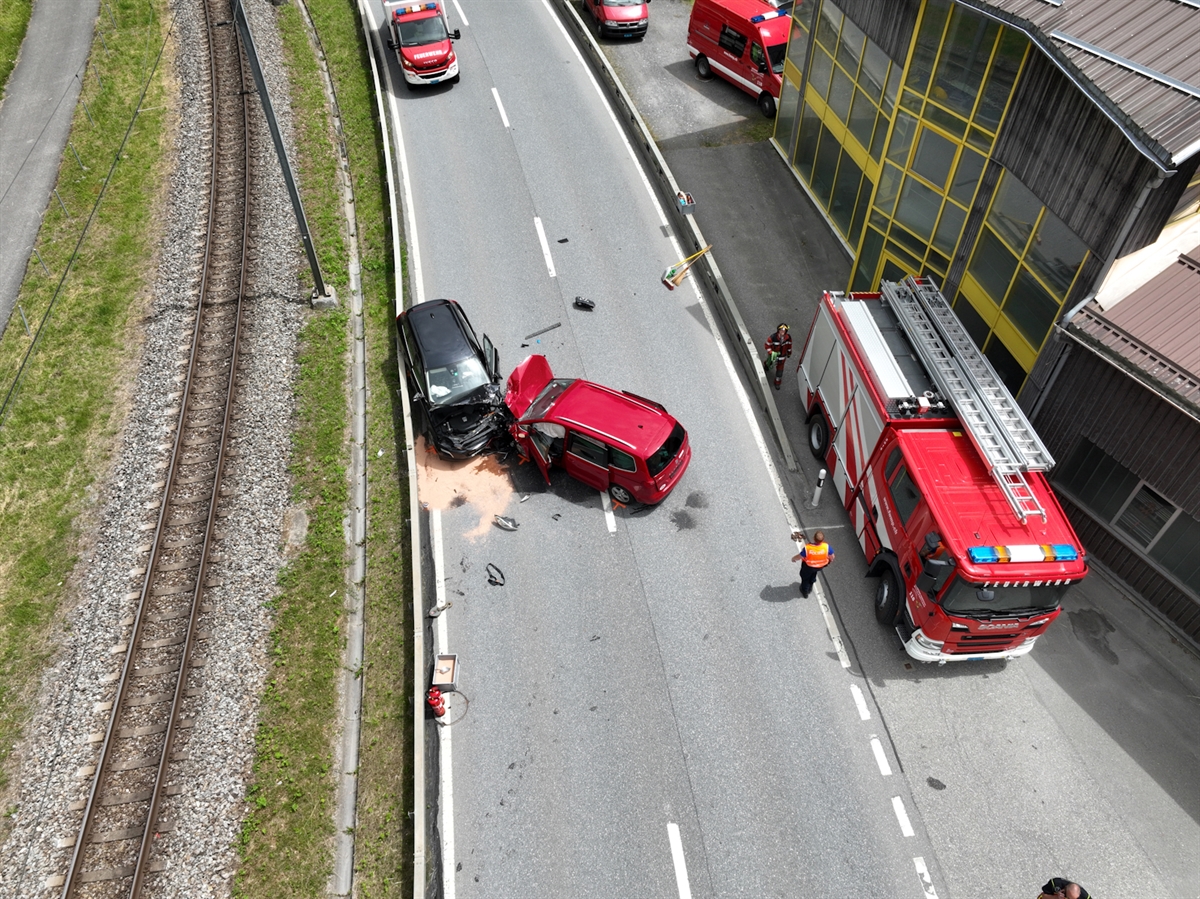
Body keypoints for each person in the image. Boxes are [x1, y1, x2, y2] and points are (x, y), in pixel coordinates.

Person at [791, 529, 834, 598]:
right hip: (819, 566)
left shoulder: (808, 548)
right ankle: (811, 585)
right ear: (822, 540)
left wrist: (793, 559)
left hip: (808, 566)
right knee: (813, 574)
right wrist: (828, 562)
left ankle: (805, 591)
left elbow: (800, 556)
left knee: (805, 578)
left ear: (813, 538)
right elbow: (832, 557)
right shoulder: (826, 547)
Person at [763, 323, 792, 391]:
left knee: (779, 372)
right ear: (778, 330)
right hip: (773, 356)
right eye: (781, 330)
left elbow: (789, 346)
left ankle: (777, 383)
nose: (782, 332)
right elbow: (767, 346)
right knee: (769, 363)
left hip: (782, 358)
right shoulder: (772, 338)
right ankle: (766, 366)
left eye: (784, 331)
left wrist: (789, 353)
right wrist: (771, 353)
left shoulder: (788, 338)